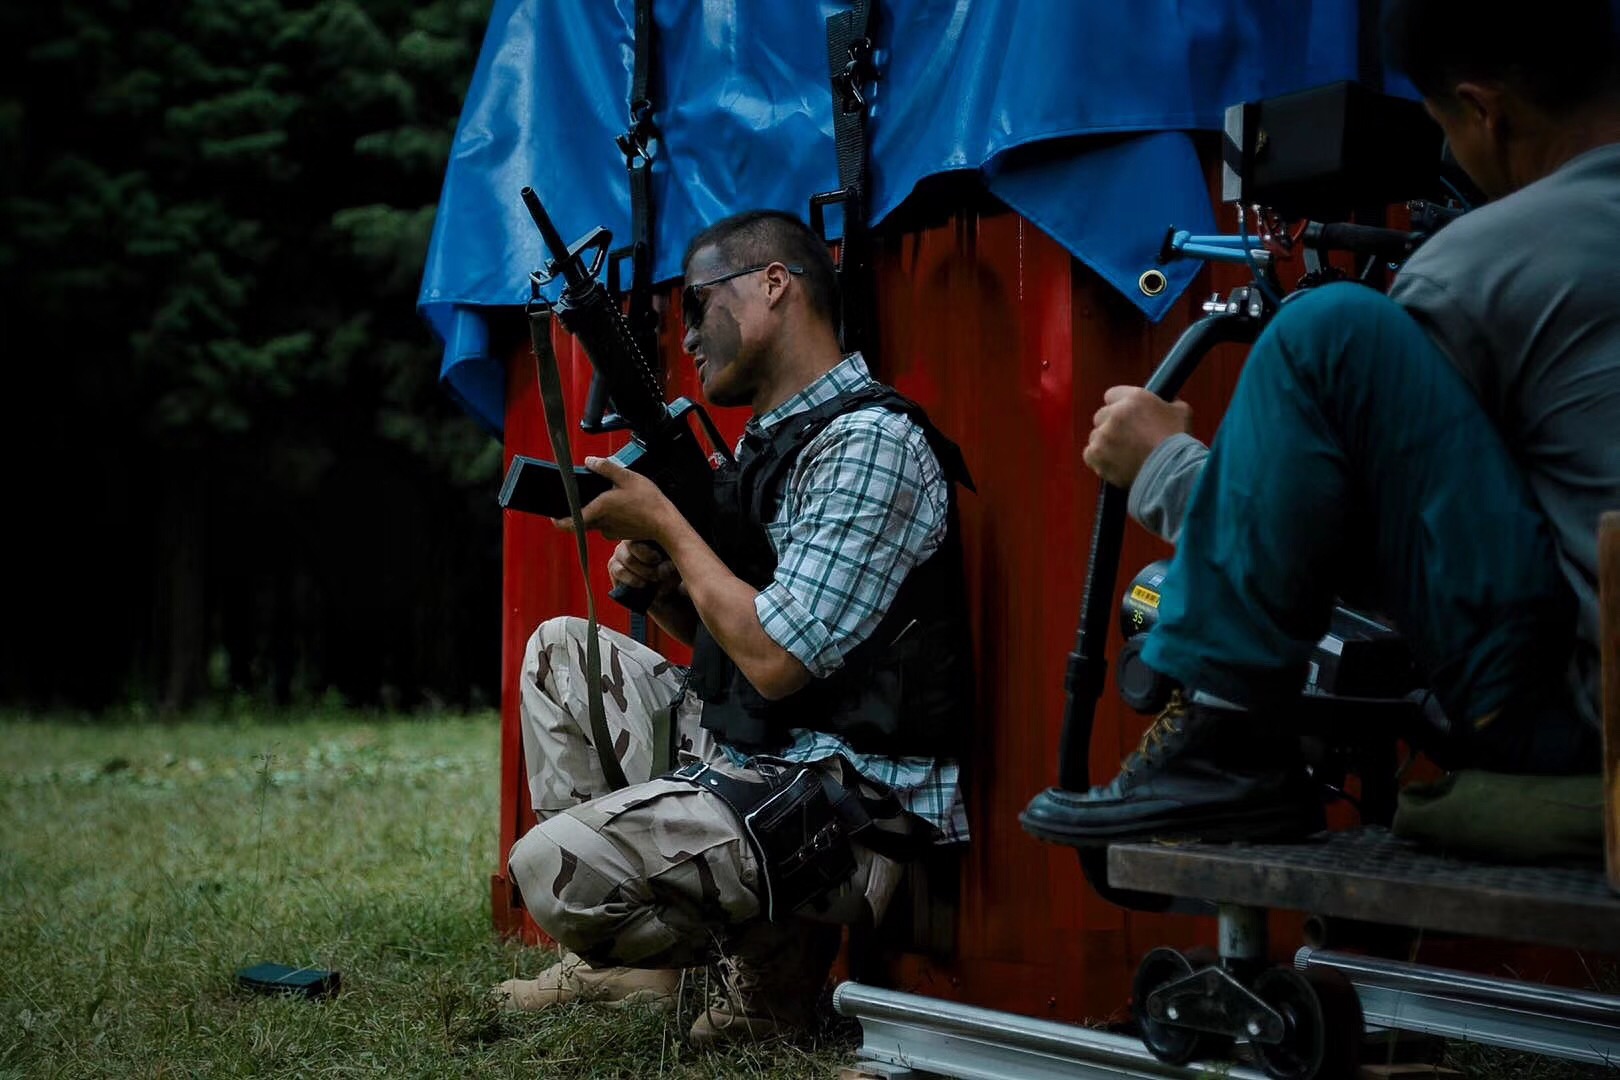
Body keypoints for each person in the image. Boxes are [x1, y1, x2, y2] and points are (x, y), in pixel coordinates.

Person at [1023, 0, 1620, 846]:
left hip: (1586, 725)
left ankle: (1228, 743)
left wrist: (1164, 467)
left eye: (1447, 125)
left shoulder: (1484, 265)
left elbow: (1342, 546)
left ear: (1485, 110)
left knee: (1326, 333)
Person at [495, 210, 974, 1045]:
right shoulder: (770, 448)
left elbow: (780, 660)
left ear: (774, 285)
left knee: (553, 871)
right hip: (762, 761)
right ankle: (645, 974)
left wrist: (671, 526)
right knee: (561, 655)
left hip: (847, 809)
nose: (687, 336)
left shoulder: (869, 443)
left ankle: (771, 970)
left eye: (700, 305)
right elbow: (735, 660)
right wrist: (668, 586)